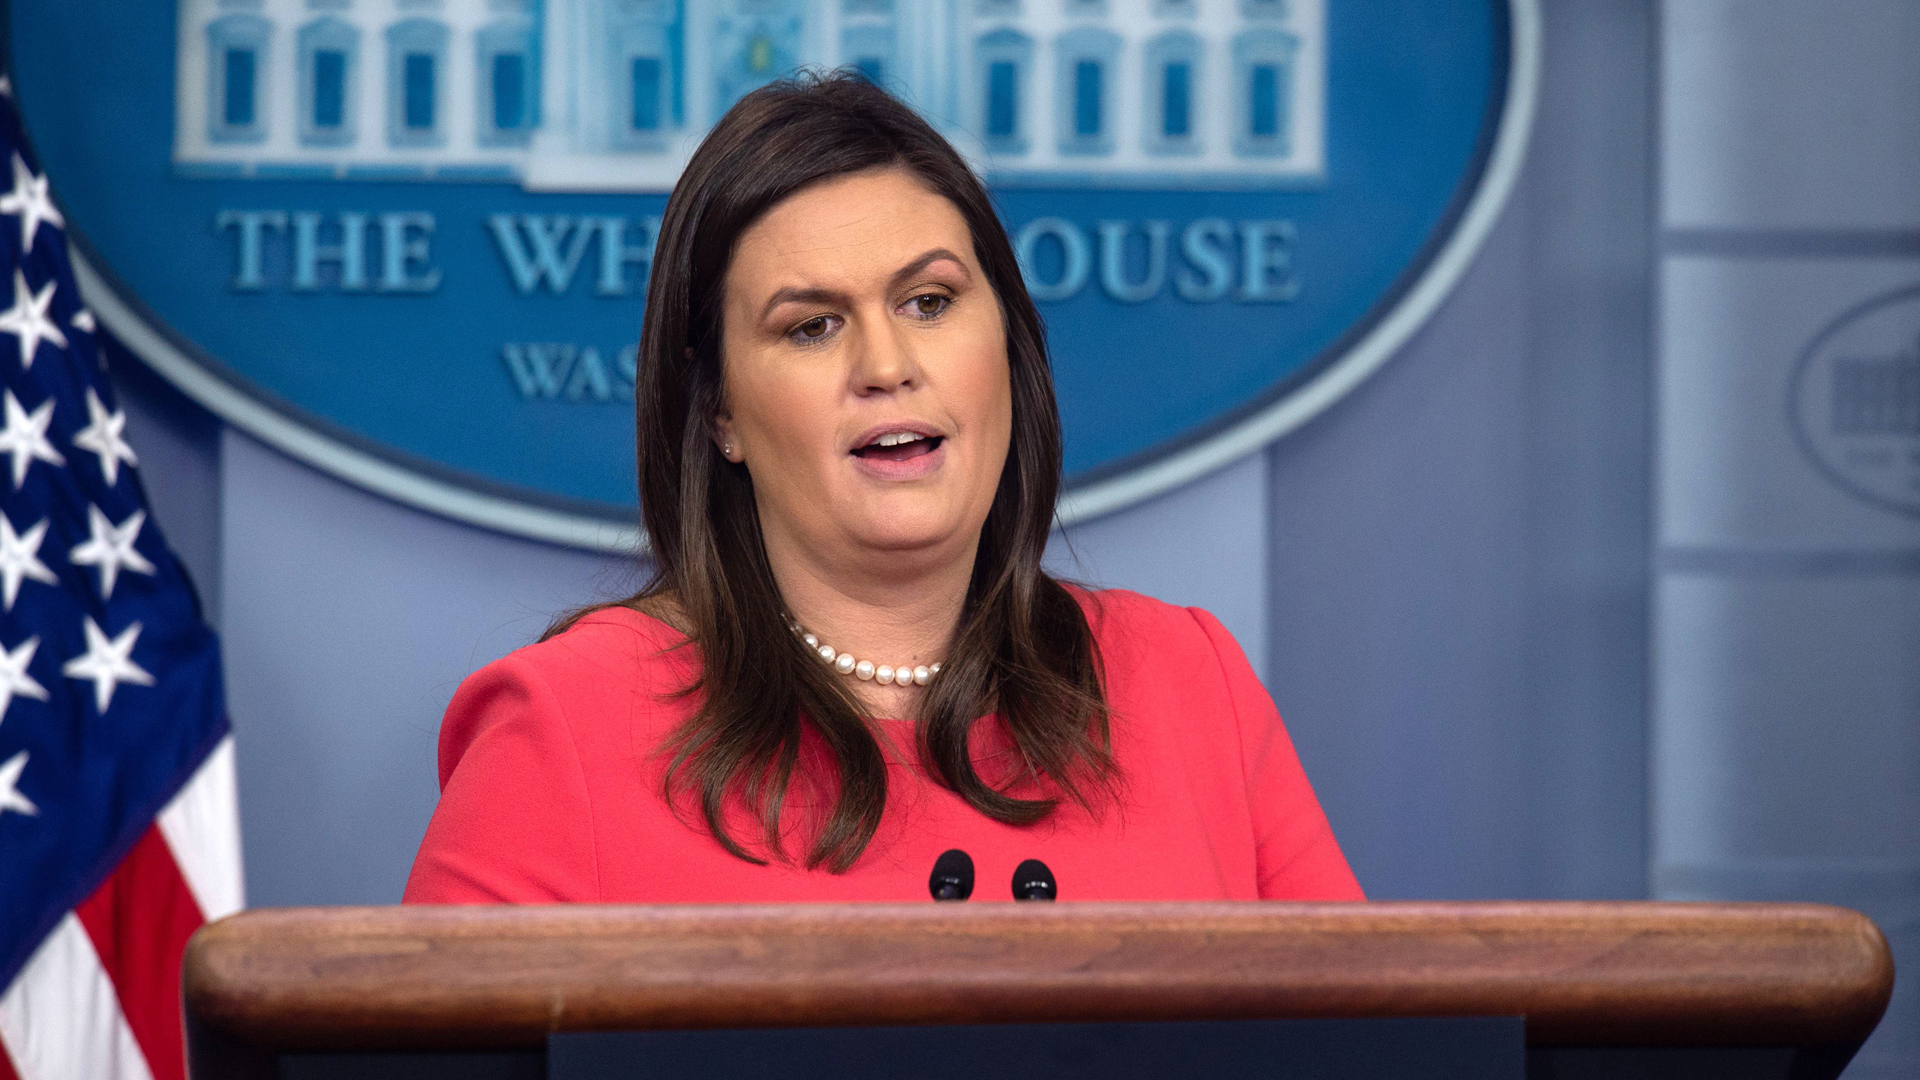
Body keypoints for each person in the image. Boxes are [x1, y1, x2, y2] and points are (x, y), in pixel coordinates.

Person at [403, 73, 1362, 904]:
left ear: (1008, 345)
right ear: (719, 413)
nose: (888, 363)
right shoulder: (566, 727)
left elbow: (1372, 1043)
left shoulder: (1189, 684)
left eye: (930, 302)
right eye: (811, 326)